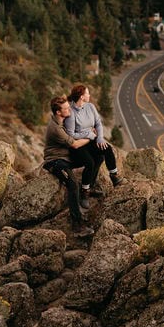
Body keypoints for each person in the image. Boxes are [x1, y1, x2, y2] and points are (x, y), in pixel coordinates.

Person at [65, 83, 127, 205]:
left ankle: (114, 176)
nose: (90, 95)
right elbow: (71, 135)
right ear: (82, 97)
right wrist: (88, 134)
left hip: (92, 139)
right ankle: (85, 192)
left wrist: (100, 138)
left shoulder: (90, 107)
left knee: (106, 149)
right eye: (87, 93)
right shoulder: (71, 113)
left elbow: (98, 123)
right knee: (90, 162)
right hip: (78, 145)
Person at [42, 96, 94, 238]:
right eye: (66, 108)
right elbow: (75, 144)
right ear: (58, 112)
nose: (69, 109)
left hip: (66, 158)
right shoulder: (55, 129)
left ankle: (89, 190)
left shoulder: (62, 121)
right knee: (73, 184)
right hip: (55, 162)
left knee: (92, 160)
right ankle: (77, 225)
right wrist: (90, 136)